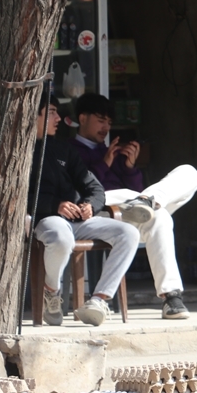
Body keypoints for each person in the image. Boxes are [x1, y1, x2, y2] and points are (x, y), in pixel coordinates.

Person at [70, 93, 197, 320]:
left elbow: (134, 186)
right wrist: (104, 164)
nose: (106, 127)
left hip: (129, 209)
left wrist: (129, 167)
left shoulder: (112, 149)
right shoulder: (70, 151)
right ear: (82, 118)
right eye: (101, 120)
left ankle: (147, 201)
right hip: (101, 209)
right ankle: (171, 295)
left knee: (190, 173)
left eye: (109, 122)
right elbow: (77, 190)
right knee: (161, 218)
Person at [30, 96, 140, 327]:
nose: (58, 118)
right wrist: (55, 205)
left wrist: (91, 204)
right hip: (45, 219)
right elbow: (18, 195)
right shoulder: (21, 151)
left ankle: (99, 299)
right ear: (33, 115)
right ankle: (52, 290)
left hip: (77, 221)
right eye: (51, 112)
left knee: (128, 233)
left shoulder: (62, 149)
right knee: (61, 236)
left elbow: (94, 187)